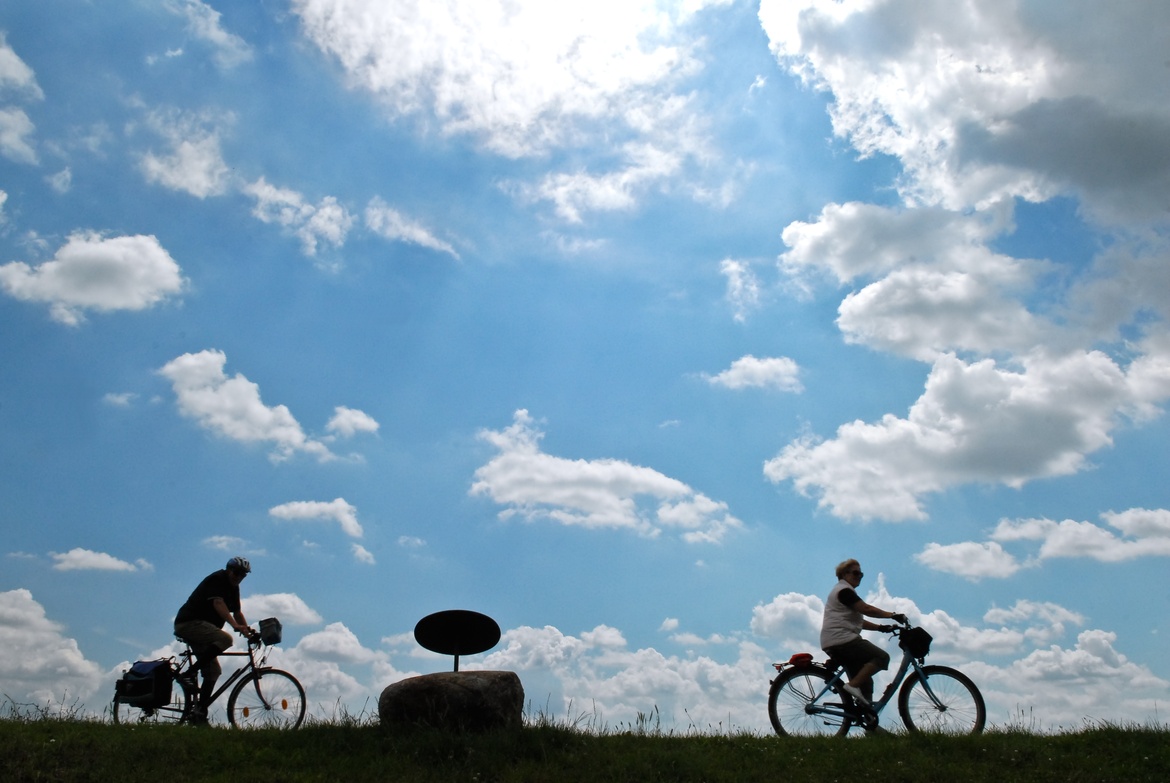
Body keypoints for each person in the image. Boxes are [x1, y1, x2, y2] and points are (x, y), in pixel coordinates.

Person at [174, 556, 258, 723]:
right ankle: (188, 674)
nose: (239, 577)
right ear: (228, 569)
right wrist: (235, 626)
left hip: (201, 628)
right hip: (189, 623)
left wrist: (248, 632)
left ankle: (199, 714)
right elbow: (218, 603)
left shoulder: (234, 587)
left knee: (213, 672)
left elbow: (237, 612)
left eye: (243, 575)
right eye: (236, 573)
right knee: (225, 639)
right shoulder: (217, 579)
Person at [820, 558, 907, 708]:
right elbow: (867, 609)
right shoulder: (844, 591)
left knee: (866, 681)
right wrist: (892, 615)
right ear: (844, 574)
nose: (859, 576)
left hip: (835, 641)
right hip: (842, 641)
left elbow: (859, 622)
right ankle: (852, 686)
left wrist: (881, 628)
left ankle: (867, 720)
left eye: (861, 574)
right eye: (855, 573)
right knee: (882, 657)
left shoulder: (844, 592)